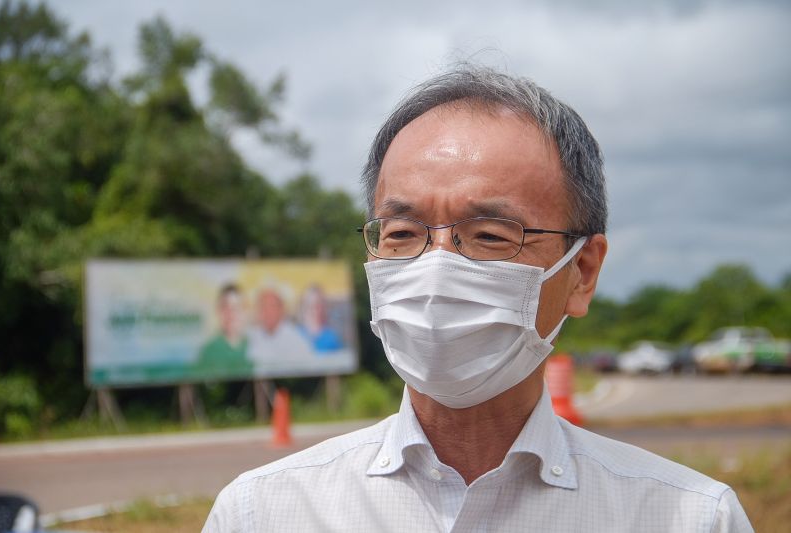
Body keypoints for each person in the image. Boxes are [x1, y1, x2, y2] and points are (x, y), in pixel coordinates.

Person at [204, 66, 753, 532]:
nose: (436, 266)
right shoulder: (263, 514)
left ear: (582, 272)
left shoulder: (687, 519)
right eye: (401, 233)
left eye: (490, 235)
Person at [196, 283, 253, 378]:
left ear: (244, 311)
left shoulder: (255, 345)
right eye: (225, 307)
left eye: (236, 307)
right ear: (218, 311)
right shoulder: (209, 352)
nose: (231, 314)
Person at [247, 287, 311, 367]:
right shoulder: (251, 336)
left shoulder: (296, 339)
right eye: (263, 307)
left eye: (272, 306)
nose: (267, 312)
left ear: (282, 309)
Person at [297, 284, 345, 353]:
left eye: (318, 304)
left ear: (323, 306)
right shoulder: (296, 334)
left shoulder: (332, 338)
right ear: (303, 306)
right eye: (309, 304)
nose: (314, 309)